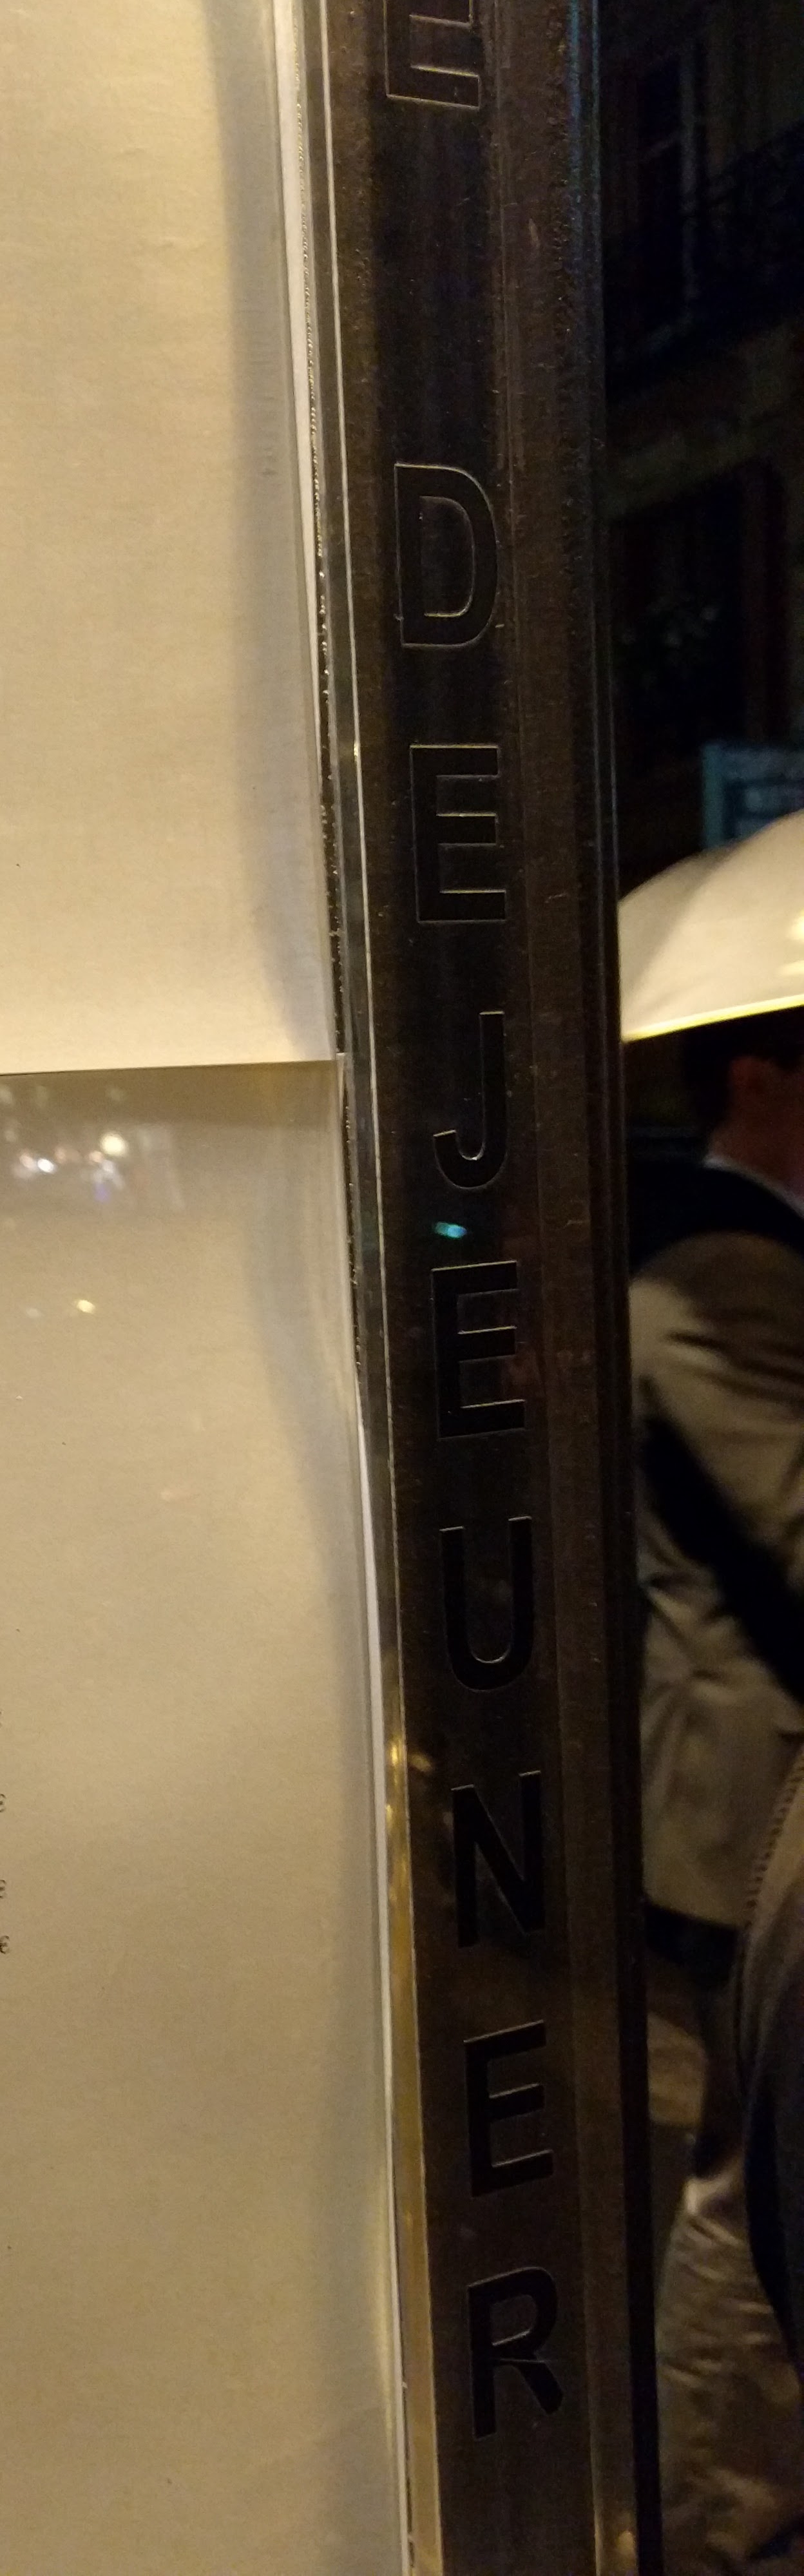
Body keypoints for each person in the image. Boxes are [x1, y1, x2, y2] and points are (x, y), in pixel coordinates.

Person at [634, 1004, 804, 2575]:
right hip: (756, 1807)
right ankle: (727, 2531)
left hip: (766, 1795)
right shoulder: (724, 1266)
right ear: (758, 1078)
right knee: (746, 2194)